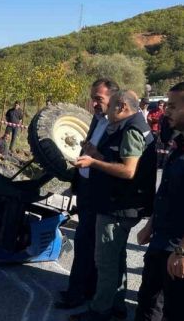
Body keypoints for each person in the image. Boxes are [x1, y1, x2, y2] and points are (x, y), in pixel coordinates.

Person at [70, 90, 157, 321]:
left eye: (109, 108)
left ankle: (100, 310)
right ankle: (117, 304)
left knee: (105, 261)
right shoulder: (132, 124)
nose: (106, 112)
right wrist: (96, 153)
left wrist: (93, 162)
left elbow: (128, 170)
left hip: (118, 206)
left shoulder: (131, 130)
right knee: (116, 257)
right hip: (120, 203)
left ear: (121, 107)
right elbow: (120, 160)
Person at [56, 78, 119, 311]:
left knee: (85, 243)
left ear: (113, 99)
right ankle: (85, 289)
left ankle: (77, 293)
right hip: (85, 189)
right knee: (87, 242)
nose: (93, 103)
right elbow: (87, 149)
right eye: (93, 98)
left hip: (98, 193)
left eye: (98, 99)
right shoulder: (97, 118)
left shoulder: (117, 124)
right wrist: (76, 181)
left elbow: (115, 162)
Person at [135, 82, 184, 321]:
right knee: (147, 304)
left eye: (174, 107)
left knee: (173, 310)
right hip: (160, 241)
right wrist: (150, 224)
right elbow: (166, 192)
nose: (166, 111)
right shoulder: (178, 146)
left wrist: (181, 251)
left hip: (177, 247)